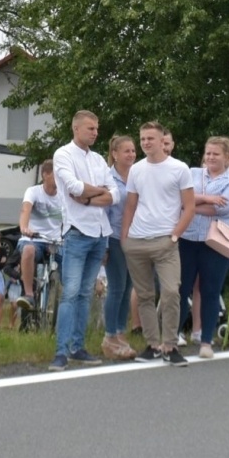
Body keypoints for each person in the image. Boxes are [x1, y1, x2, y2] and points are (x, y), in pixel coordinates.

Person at [120, 121, 193, 366]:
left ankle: (170, 346)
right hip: (137, 240)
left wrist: (175, 235)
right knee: (144, 295)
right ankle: (152, 345)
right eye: (142, 139)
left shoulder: (179, 168)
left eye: (150, 138)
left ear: (163, 141)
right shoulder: (136, 170)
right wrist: (125, 237)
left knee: (172, 292)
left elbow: (189, 206)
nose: (145, 143)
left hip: (165, 241)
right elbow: (130, 205)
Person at [50, 110, 116, 371]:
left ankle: (77, 347)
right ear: (76, 128)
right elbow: (73, 188)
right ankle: (61, 351)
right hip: (77, 232)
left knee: (86, 293)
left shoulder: (99, 159)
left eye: (97, 128)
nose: (95, 132)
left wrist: (91, 195)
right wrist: (98, 192)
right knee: (70, 293)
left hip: (100, 233)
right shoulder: (63, 155)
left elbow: (115, 195)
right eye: (90, 128)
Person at [178, 136, 229, 358]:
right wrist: (206, 199)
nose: (211, 157)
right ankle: (171, 339)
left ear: (226, 157)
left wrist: (191, 206)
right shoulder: (192, 173)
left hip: (217, 241)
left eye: (216, 154)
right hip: (187, 238)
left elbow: (223, 209)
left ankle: (206, 341)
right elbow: (179, 197)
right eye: (208, 153)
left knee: (210, 291)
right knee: (180, 289)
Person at [100, 134, 138, 360]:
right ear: (114, 154)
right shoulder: (107, 178)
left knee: (128, 288)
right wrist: (104, 244)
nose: (132, 155)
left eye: (133, 151)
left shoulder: (137, 175)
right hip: (114, 237)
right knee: (117, 287)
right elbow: (103, 212)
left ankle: (120, 334)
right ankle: (109, 336)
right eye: (127, 151)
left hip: (134, 238)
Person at [14, 160, 64, 322]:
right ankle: (28, 295)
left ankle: (68, 299)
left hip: (56, 241)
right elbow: (25, 210)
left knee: (73, 260)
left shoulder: (64, 196)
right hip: (35, 238)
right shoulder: (33, 192)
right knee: (28, 250)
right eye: (58, 174)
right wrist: (24, 227)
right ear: (45, 175)